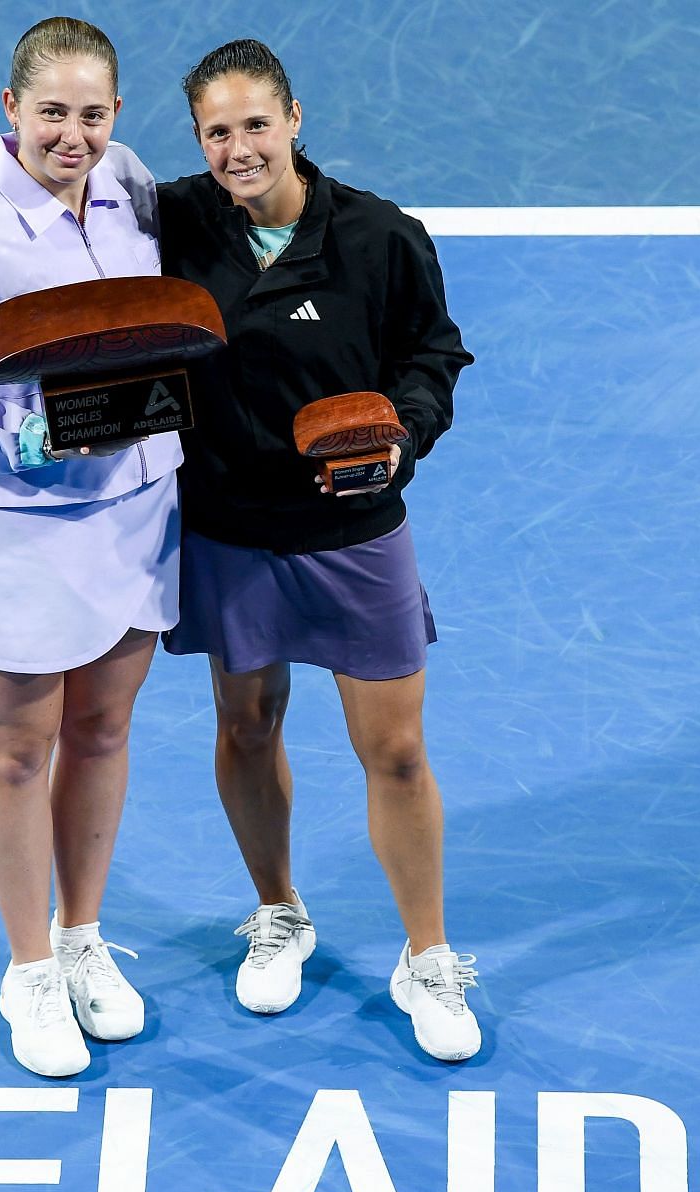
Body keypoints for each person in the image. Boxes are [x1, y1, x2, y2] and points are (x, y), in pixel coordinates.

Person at [157, 39, 482, 1060]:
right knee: (246, 724)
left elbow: (433, 355)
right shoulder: (171, 224)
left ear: (295, 118)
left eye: (256, 124)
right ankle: (279, 909)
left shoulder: (380, 237)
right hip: (231, 526)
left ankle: (428, 953)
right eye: (218, 131)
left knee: (394, 747)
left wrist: (402, 435)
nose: (239, 147)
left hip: (352, 530)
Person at [0, 17, 176, 1078]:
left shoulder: (135, 189)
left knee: (101, 731)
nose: (74, 133)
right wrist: (44, 438)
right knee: (20, 749)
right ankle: (27, 968)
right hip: (20, 530)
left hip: (138, 514)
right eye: (52, 111)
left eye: (93, 113)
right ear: (9, 111)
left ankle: (80, 935)